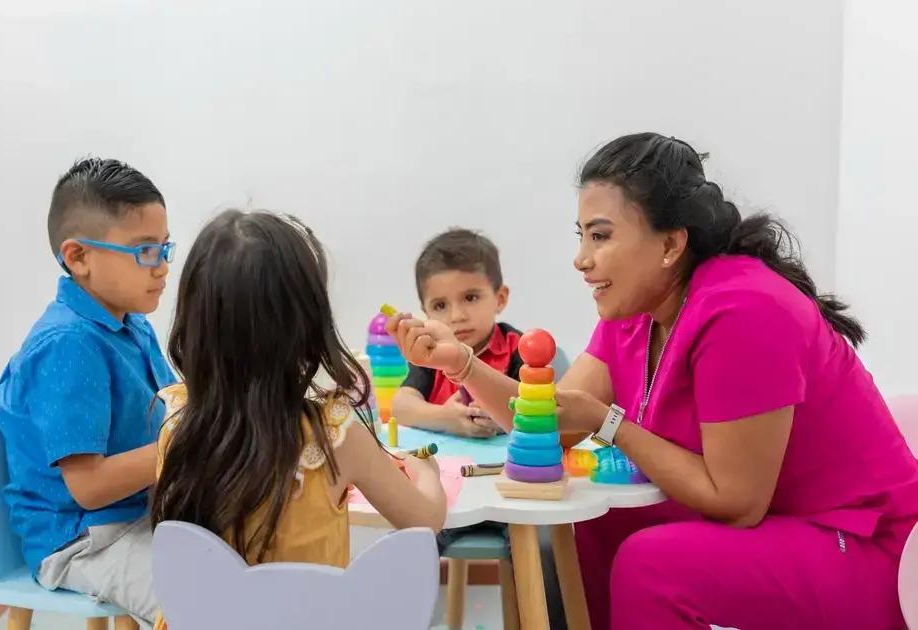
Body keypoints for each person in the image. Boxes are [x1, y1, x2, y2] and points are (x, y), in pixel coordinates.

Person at [387, 132, 918, 629]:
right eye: (582, 237)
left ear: (669, 244)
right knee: (595, 524)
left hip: (870, 548)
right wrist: (462, 365)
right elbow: (552, 421)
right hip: (786, 529)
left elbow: (737, 501)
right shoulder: (635, 311)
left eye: (601, 236)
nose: (581, 259)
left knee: (651, 564)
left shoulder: (744, 309)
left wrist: (609, 423)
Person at [150, 210, 447, 629]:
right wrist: (425, 470)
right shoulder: (336, 435)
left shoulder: (177, 425)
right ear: (306, 324)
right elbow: (426, 520)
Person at [0, 158, 176, 624]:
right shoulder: (69, 345)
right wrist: (180, 444)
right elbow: (90, 487)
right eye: (145, 252)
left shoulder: (132, 324)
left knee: (249, 552)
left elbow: (170, 405)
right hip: (80, 539)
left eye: (164, 249)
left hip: (134, 516)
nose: (162, 269)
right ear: (78, 257)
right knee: (193, 596)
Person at [393, 228, 520, 438]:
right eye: (440, 305)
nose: (457, 316)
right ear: (426, 312)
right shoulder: (430, 352)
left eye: (470, 298)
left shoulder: (517, 346)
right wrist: (446, 418)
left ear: (500, 298)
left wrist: (499, 417)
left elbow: (542, 412)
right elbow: (400, 407)